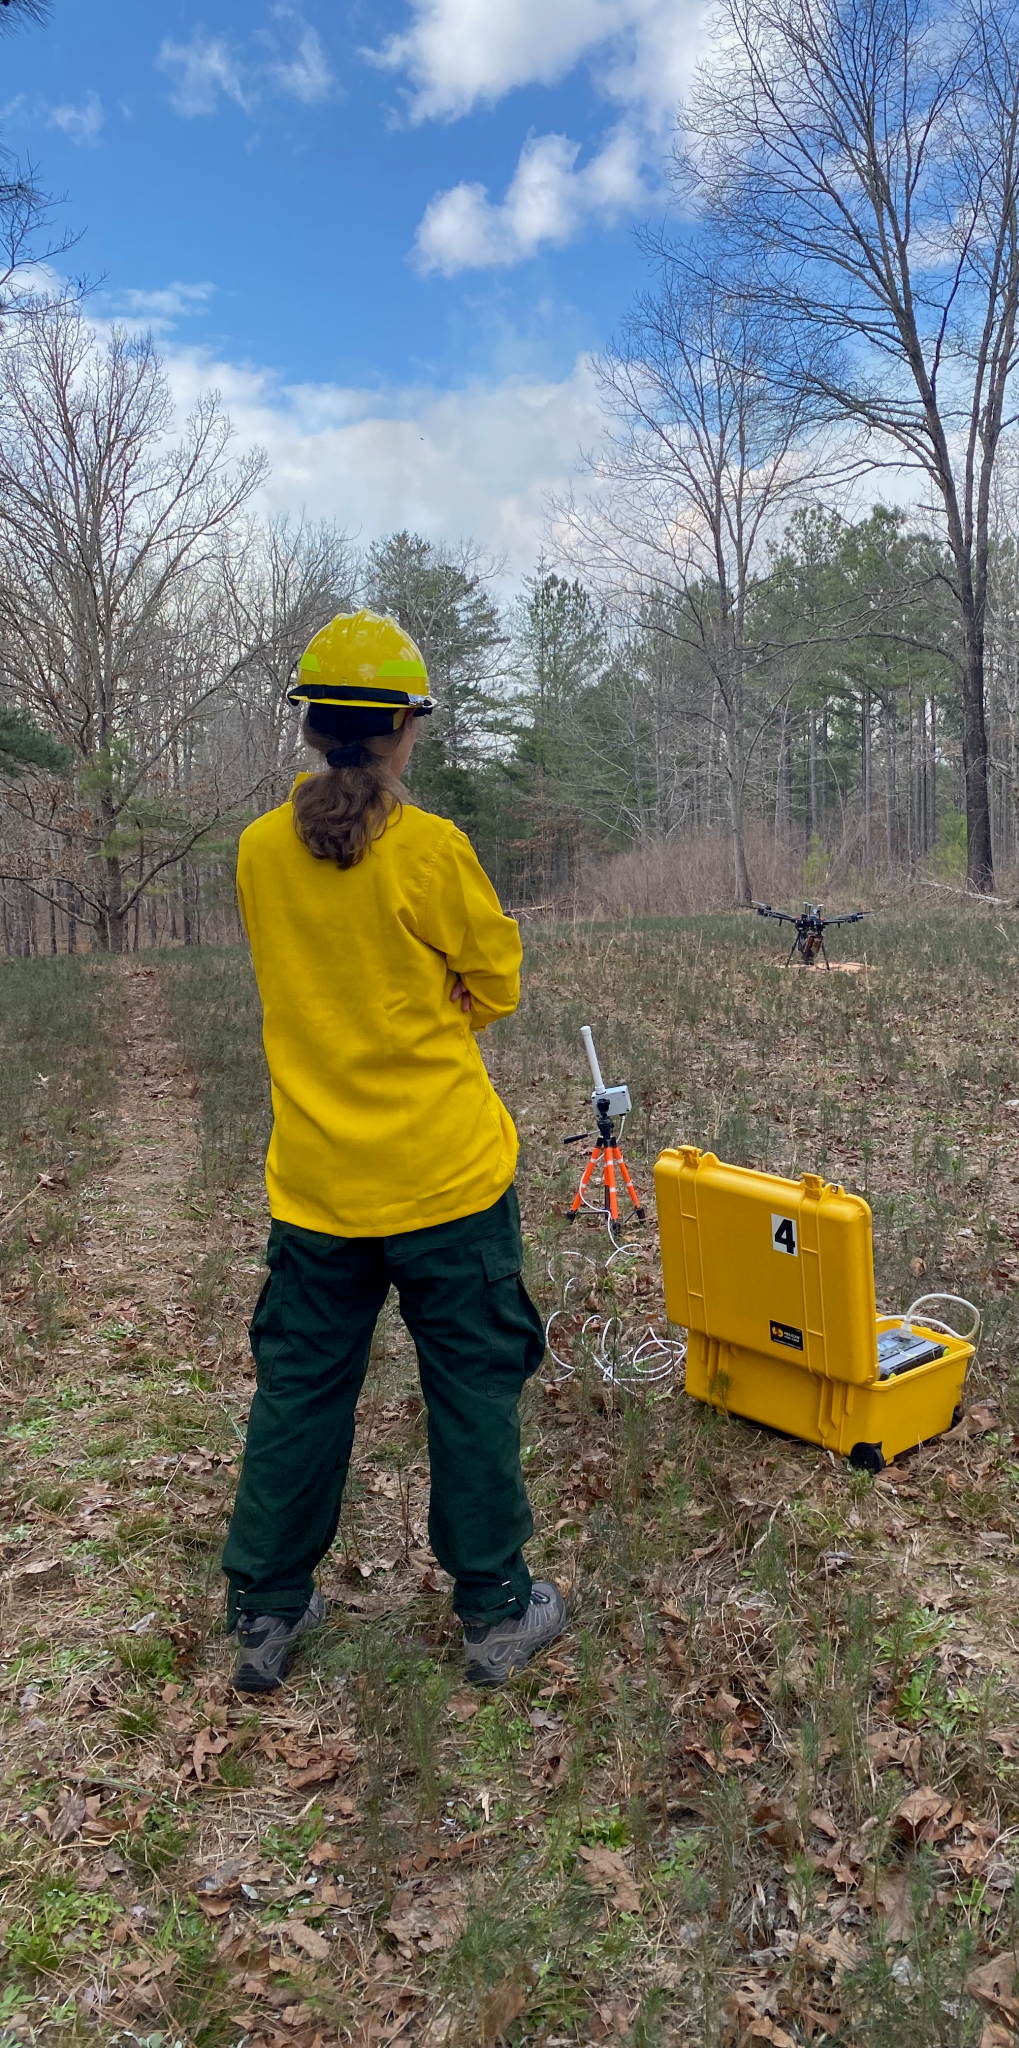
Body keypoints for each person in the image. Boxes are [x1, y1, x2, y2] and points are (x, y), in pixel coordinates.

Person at [219, 610, 566, 1694]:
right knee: (469, 1384)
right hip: (448, 1183)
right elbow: (498, 982)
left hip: (318, 1188)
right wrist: (444, 997)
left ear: (315, 726)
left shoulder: (258, 851)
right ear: (405, 729)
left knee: (299, 1390)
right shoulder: (431, 849)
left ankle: (265, 1606)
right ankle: (496, 1610)